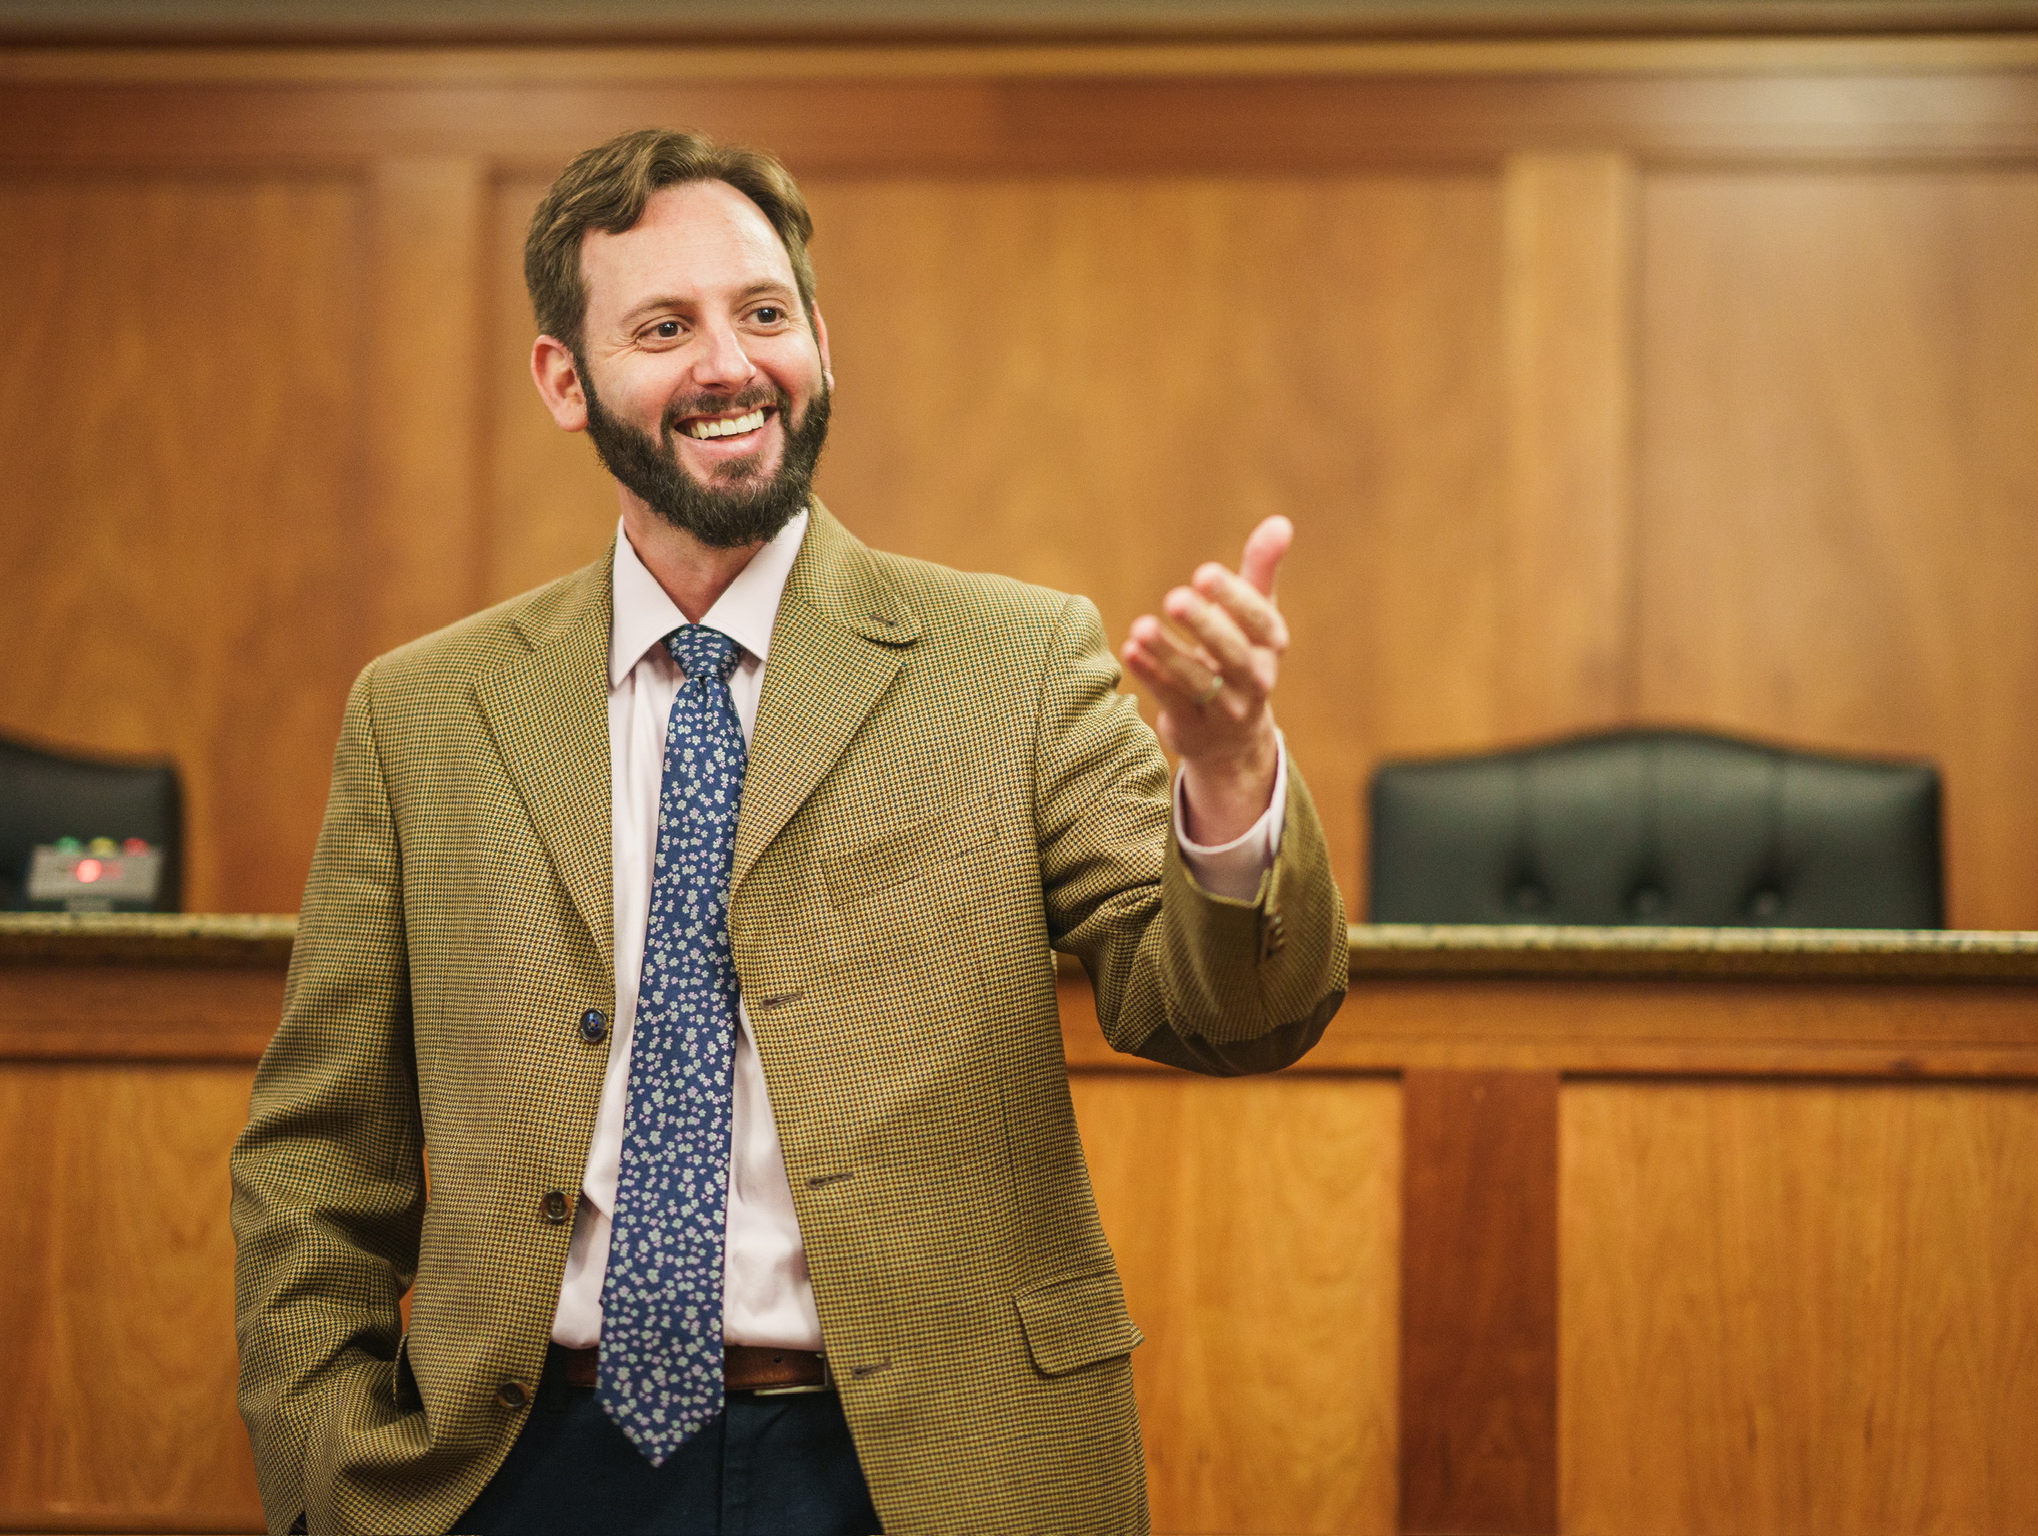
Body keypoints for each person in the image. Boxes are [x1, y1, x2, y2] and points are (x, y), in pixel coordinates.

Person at [230, 127, 1348, 1536]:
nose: (730, 364)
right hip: (520, 1471)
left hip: (919, 1474)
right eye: (664, 327)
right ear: (564, 380)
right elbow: (320, 1151)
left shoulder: (1013, 663)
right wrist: (330, 1468)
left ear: (822, 340)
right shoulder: (424, 715)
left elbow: (1230, 1015)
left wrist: (1231, 776)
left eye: (764, 313)